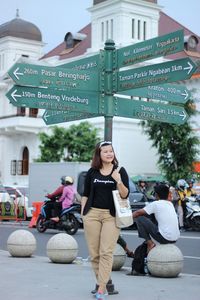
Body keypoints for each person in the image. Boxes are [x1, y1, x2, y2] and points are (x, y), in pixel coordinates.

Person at [81, 141, 129, 300]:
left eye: (111, 151)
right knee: (94, 254)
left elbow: (124, 195)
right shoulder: (92, 172)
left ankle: (102, 288)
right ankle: (102, 284)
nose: (109, 154)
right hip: (92, 215)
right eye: (105, 151)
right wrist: (83, 214)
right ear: (99, 155)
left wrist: (118, 180)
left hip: (111, 216)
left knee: (106, 252)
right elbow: (85, 194)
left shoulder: (120, 171)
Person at [132, 183, 180, 253]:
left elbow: (138, 213)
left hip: (164, 238)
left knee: (139, 218)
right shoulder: (170, 204)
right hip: (175, 238)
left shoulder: (156, 204)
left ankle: (150, 243)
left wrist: (125, 218)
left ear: (157, 195)